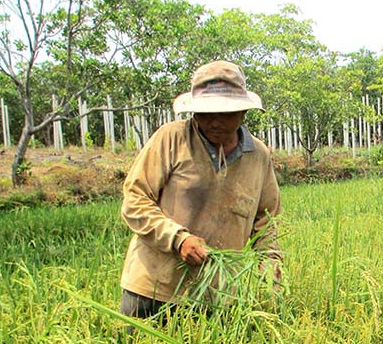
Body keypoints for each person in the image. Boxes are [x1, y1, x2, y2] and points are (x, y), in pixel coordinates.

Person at [119, 60, 282, 319]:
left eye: (225, 113)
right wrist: (178, 239)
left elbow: (267, 220)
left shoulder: (259, 156)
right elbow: (135, 200)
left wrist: (269, 261)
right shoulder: (170, 139)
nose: (215, 122)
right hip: (153, 289)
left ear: (243, 113)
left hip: (216, 297)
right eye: (205, 113)